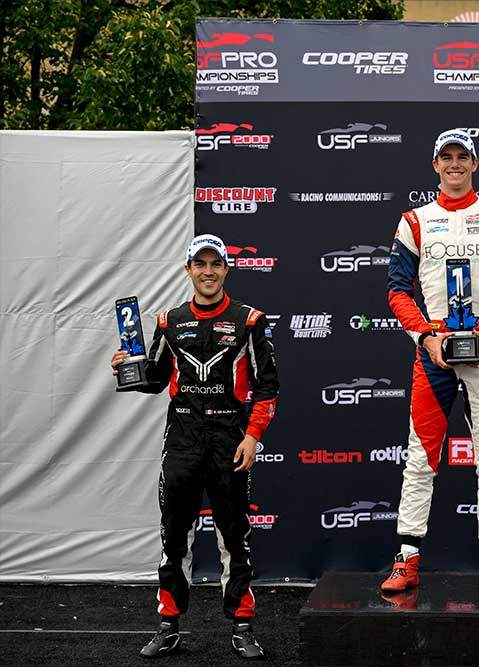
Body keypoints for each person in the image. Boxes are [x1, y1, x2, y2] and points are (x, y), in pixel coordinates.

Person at [111, 234, 278, 660]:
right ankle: (168, 627)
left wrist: (253, 437)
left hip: (229, 441)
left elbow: (267, 387)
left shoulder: (249, 320)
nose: (208, 271)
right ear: (188, 270)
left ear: (226, 269)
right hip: (183, 440)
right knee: (173, 537)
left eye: (215, 264)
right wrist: (126, 368)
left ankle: (242, 627)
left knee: (234, 539)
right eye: (200, 264)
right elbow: (155, 378)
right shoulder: (169, 321)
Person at [381, 129, 479, 593]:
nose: (454, 164)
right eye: (446, 157)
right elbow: (397, 291)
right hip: (434, 352)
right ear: (435, 165)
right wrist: (426, 338)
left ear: (475, 163)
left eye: (462, 156)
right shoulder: (415, 221)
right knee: (421, 456)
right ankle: (406, 558)